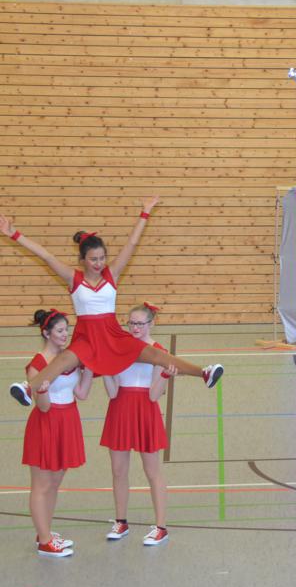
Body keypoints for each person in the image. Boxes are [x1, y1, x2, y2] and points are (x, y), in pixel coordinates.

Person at [2, 201, 223, 405]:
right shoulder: (73, 278)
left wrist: (145, 213)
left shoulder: (112, 274)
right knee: (63, 360)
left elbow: (132, 243)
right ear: (82, 260)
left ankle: (204, 373)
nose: (98, 263)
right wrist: (14, 234)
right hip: (87, 337)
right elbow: (46, 256)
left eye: (102, 258)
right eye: (93, 259)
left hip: (112, 334)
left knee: (157, 356)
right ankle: (29, 388)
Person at [100, 303, 175, 546]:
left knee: (152, 472)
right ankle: (121, 522)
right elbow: (112, 392)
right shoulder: (119, 348)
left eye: (140, 323)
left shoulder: (158, 352)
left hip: (145, 409)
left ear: (151, 323)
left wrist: (165, 376)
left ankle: (161, 527)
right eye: (131, 323)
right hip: (119, 408)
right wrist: (105, 368)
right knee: (118, 471)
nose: (135, 327)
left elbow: (153, 395)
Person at [22, 309, 93, 557]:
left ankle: (45, 532)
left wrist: (90, 369)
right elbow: (43, 407)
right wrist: (41, 391)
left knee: (54, 483)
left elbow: (82, 394)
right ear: (46, 333)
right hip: (47, 423)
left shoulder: (70, 358)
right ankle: (44, 542)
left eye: (67, 330)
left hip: (69, 420)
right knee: (41, 485)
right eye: (60, 331)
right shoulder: (37, 365)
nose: (65, 335)